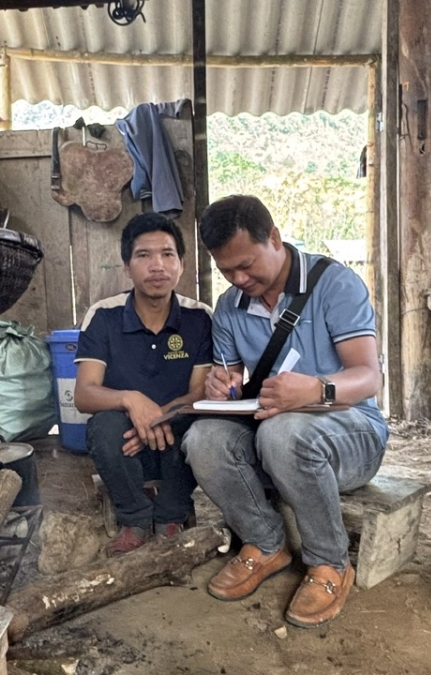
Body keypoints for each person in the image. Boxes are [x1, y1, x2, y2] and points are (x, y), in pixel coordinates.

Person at [182, 195, 389, 628]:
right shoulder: (230, 307)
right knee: (202, 438)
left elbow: (369, 378)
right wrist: (222, 387)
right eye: (226, 271)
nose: (239, 279)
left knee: (284, 432)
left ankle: (330, 562)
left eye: (246, 265)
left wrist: (315, 389)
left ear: (274, 238)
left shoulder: (336, 285)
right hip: (271, 435)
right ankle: (264, 544)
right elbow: (231, 377)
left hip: (351, 436)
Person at [74, 213, 213, 557]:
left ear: (181, 264)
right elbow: (84, 393)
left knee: (200, 423)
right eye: (144, 255)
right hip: (125, 445)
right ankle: (134, 518)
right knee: (104, 426)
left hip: (175, 439)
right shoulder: (104, 315)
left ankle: (171, 516)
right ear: (126, 266)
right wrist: (130, 399)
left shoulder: (199, 318)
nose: (157, 266)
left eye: (167, 254)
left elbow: (200, 393)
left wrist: (156, 416)